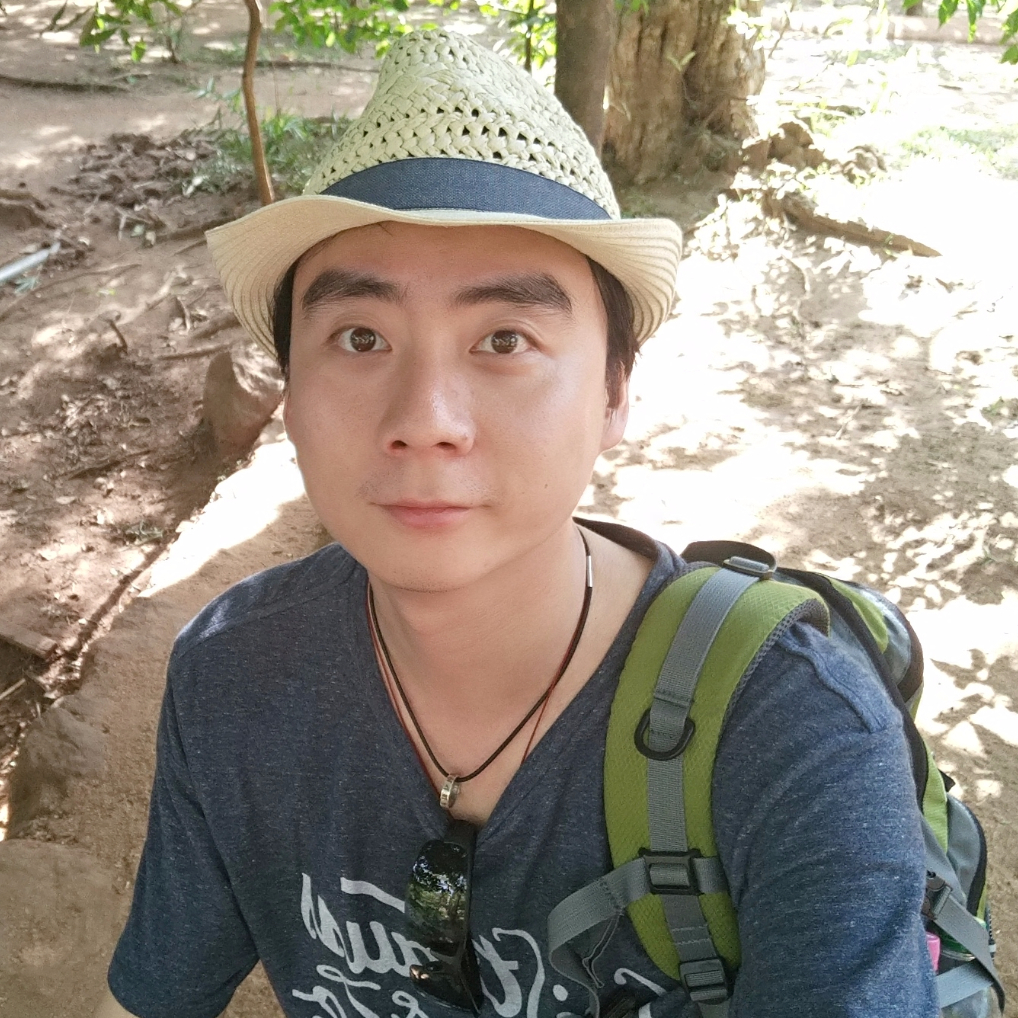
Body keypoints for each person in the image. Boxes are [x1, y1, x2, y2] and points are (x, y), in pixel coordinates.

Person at [95, 28, 938, 1018]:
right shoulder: (234, 677)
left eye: (504, 339)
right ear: (290, 388)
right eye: (360, 336)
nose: (425, 420)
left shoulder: (794, 732)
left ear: (614, 394)